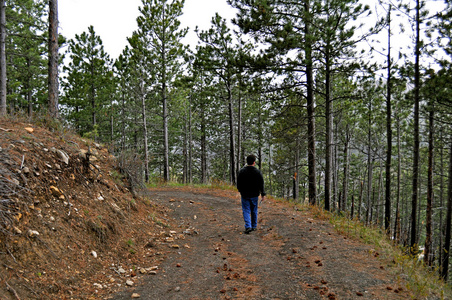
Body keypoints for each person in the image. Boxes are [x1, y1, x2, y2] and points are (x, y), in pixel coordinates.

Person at [237, 154, 266, 234]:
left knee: (246, 210)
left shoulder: (242, 171)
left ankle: (248, 226)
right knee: (254, 210)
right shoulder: (257, 172)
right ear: (254, 162)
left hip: (245, 194)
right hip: (254, 195)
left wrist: (240, 191)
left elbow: (238, 183)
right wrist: (263, 194)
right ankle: (254, 226)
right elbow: (261, 184)